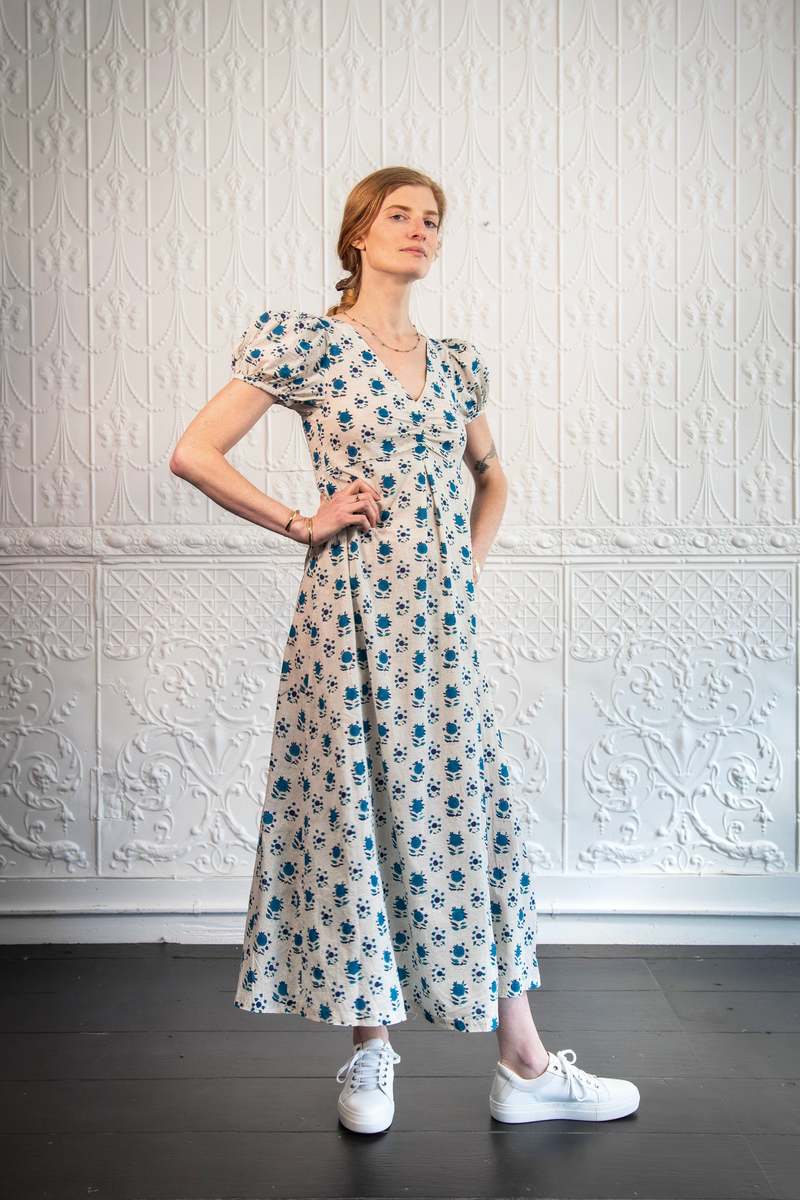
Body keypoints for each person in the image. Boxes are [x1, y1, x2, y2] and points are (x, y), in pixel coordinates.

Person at [170, 166, 640, 1134]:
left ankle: (523, 1062)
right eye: (399, 215)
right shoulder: (307, 343)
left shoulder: (456, 363)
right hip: (346, 616)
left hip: (440, 626)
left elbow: (491, 477)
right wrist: (304, 520)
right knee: (357, 807)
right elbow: (195, 452)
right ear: (358, 233)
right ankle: (370, 1051)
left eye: (432, 219)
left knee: (474, 809)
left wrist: (465, 568)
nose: (420, 230)